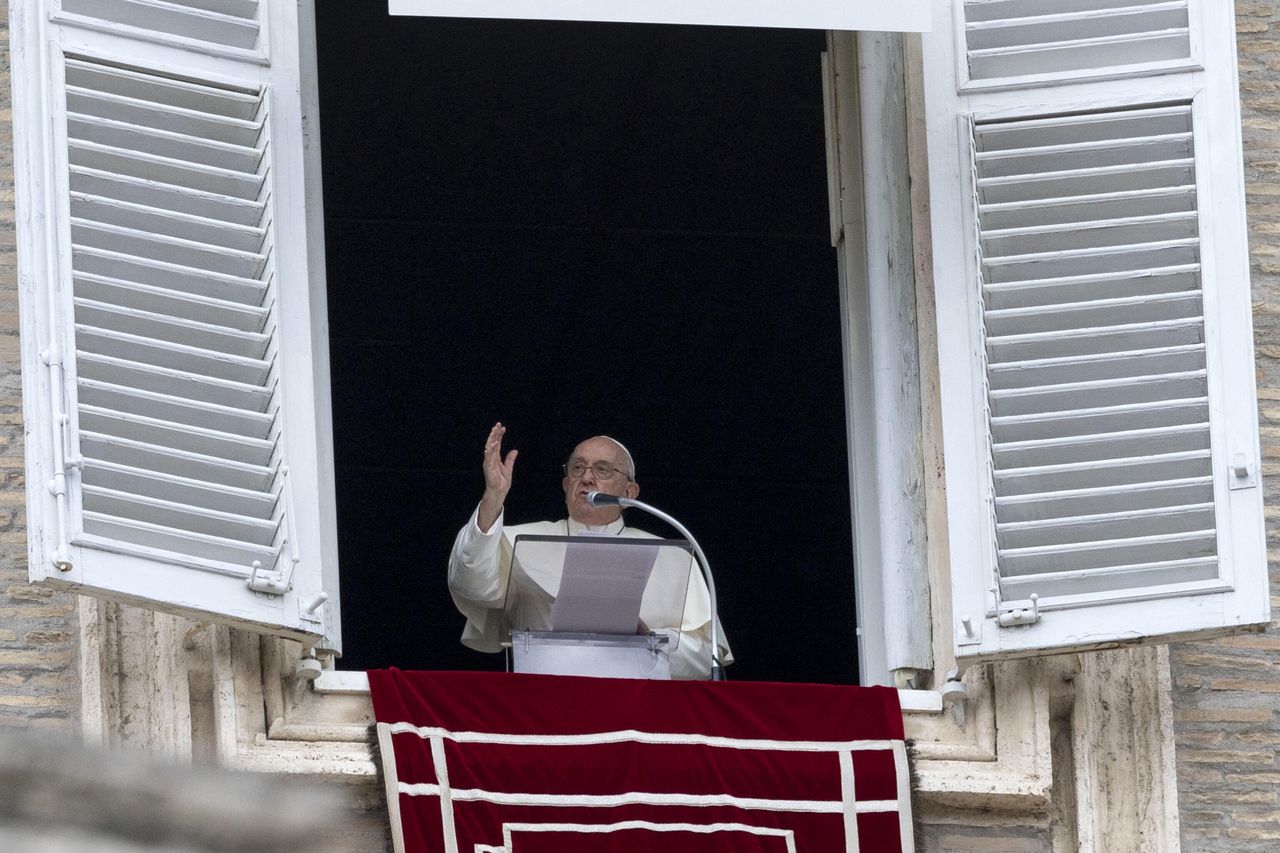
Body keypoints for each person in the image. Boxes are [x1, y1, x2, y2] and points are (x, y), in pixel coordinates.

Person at [448, 423, 731, 679]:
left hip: (638, 709)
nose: (587, 478)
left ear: (630, 492)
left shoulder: (673, 556)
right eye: (577, 469)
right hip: (542, 701)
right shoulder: (519, 540)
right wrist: (493, 498)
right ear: (566, 484)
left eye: (602, 469)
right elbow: (472, 585)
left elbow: (706, 654)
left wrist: (650, 640)